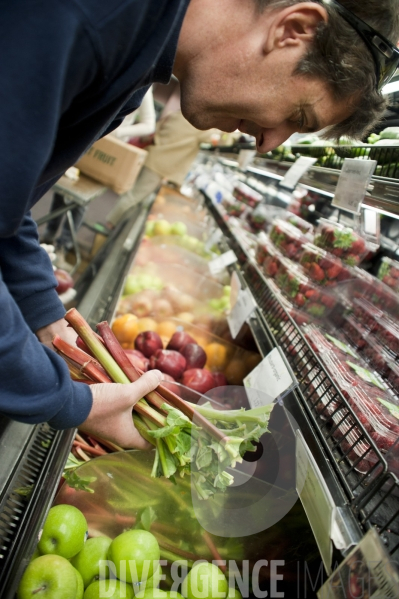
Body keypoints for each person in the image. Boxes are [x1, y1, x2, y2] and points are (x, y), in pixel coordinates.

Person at [1, 0, 398, 450]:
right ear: (294, 29)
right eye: (298, 117)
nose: (269, 143)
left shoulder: (135, 64)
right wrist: (66, 401)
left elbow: (10, 211)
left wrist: (46, 316)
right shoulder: (92, 16)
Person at [40, 87, 156, 267]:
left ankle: (63, 246)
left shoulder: (145, 84)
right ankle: (48, 237)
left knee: (81, 201)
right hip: (88, 137)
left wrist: (118, 131)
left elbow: (150, 124)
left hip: (109, 148)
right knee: (63, 183)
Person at [105, 107, 217, 229]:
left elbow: (157, 128)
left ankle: (116, 224)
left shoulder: (179, 114)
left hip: (151, 156)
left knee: (132, 193)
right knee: (134, 197)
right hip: (159, 166)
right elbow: (217, 140)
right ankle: (110, 224)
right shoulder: (201, 128)